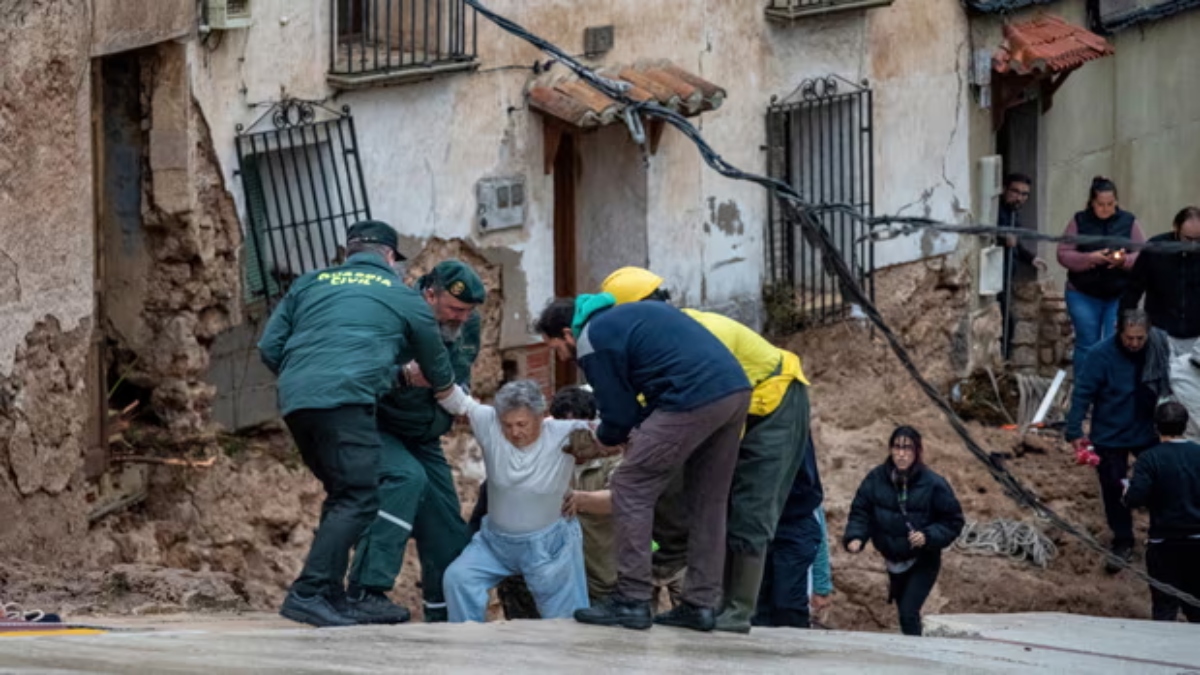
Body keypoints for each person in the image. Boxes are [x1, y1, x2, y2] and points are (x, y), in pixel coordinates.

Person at [257, 220, 456, 628]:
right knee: (360, 496)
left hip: (297, 401)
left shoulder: (309, 283)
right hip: (345, 402)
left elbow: (269, 346)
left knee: (344, 492)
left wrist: (306, 378)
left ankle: (331, 594)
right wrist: (449, 393)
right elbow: (436, 363)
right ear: (389, 257)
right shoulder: (403, 296)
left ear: (349, 251)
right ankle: (309, 592)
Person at [600, 267, 810, 633]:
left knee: (751, 504)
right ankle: (698, 595)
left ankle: (738, 610)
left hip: (775, 402)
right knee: (694, 493)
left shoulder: (697, 333)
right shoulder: (655, 342)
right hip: (730, 411)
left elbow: (714, 394)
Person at [537, 295, 751, 631]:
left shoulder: (592, 338)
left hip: (691, 396)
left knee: (629, 486)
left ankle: (632, 599)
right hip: (734, 390)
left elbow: (617, 414)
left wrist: (604, 440)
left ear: (567, 333)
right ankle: (700, 603)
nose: (564, 357)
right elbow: (644, 395)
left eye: (557, 348)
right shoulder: (629, 317)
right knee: (709, 499)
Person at [345, 259, 486, 624]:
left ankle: (445, 619)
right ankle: (365, 591)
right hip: (380, 426)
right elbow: (361, 375)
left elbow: (463, 370)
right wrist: (404, 378)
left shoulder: (467, 324)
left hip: (426, 435)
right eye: (455, 308)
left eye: (469, 311)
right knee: (405, 479)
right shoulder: (393, 316)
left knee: (448, 528)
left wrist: (462, 398)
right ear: (429, 295)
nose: (462, 318)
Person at [438, 380, 592, 622]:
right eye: (507, 425)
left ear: (541, 416)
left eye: (522, 424)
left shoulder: (568, 433)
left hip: (547, 547)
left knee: (564, 620)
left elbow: (615, 435)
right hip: (494, 543)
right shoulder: (489, 422)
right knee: (459, 579)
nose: (514, 432)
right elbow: (455, 400)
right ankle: (465, 647)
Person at [1065, 309, 1164, 572]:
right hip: (1110, 431)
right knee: (1112, 487)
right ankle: (1123, 539)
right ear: (1119, 332)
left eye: (1139, 338)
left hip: (1147, 428)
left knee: (1161, 483)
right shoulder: (1100, 355)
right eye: (1129, 338)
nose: (1134, 343)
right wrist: (1074, 429)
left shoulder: (1159, 348)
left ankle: (1161, 536)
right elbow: (1083, 392)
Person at [843, 426, 965, 637]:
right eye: (896, 447)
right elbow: (861, 511)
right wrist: (856, 536)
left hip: (923, 559)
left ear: (917, 451)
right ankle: (915, 649)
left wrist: (928, 536)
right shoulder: (876, 478)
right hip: (894, 559)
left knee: (908, 612)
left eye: (907, 448)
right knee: (904, 614)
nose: (901, 453)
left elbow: (953, 521)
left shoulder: (934, 484)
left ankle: (917, 660)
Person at [1057, 176, 1147, 369]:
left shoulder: (1128, 221)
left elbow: (1143, 254)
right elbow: (1064, 253)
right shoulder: (1079, 221)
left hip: (1118, 293)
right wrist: (1090, 258)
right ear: (1092, 203)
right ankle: (1085, 388)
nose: (1106, 208)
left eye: (1110, 204)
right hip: (1082, 293)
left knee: (1112, 341)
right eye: (1101, 204)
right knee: (1087, 342)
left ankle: (1109, 389)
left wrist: (1125, 261)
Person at [1124, 401, 1200, 622]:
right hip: (1198, 543)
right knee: (1197, 607)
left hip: (1164, 543)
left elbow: (1134, 498)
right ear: (1185, 425)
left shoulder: (1149, 458)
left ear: (1156, 426)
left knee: (1164, 607)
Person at [754, 434, 833, 629]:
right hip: (760, 524)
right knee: (757, 610)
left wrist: (821, 586)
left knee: (787, 608)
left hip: (794, 526)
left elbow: (820, 536)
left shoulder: (805, 493)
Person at [1122, 206, 1200, 357]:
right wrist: (1125, 321)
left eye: (1198, 240)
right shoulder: (1156, 249)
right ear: (1176, 228)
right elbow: (1133, 288)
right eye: (1188, 239)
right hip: (1160, 331)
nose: (1193, 245)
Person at [996, 173, 1047, 359]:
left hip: (1006, 277)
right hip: (994, 278)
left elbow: (1015, 242)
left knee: (1009, 323)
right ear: (1004, 189)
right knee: (1005, 323)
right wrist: (1002, 237)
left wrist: (1031, 259)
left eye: (1025, 194)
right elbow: (989, 232)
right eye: (1015, 191)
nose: (1020, 198)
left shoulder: (1012, 213)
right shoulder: (997, 210)